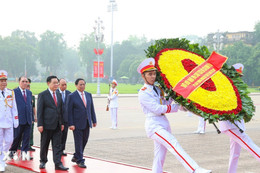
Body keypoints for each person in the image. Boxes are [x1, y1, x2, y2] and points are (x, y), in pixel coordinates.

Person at [137, 58, 211, 173]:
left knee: (160, 155)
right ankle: (194, 169)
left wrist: (177, 100)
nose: (153, 77)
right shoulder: (143, 92)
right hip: (153, 125)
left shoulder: (158, 89)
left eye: (154, 74)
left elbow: (165, 104)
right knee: (173, 143)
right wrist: (176, 107)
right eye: (149, 74)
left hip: (163, 122)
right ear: (143, 76)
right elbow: (157, 109)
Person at [219, 63, 260, 173]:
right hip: (229, 124)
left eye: (239, 75)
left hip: (237, 124)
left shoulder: (237, 86)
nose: (238, 77)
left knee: (235, 153)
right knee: (249, 143)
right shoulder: (224, 86)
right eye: (236, 75)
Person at [37, 76, 68, 171]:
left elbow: (60, 110)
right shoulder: (43, 95)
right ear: (48, 83)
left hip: (57, 125)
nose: (56, 85)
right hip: (46, 125)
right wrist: (40, 124)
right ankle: (43, 161)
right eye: (54, 83)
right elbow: (40, 111)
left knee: (57, 145)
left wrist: (62, 123)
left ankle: (58, 163)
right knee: (44, 144)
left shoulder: (58, 94)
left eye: (57, 83)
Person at [67, 78, 97, 168]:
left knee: (85, 140)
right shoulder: (72, 96)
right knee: (78, 142)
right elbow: (69, 111)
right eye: (80, 84)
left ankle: (76, 156)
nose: (82, 86)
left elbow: (91, 108)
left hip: (87, 122)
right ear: (76, 85)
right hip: (76, 124)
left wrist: (94, 120)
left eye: (84, 84)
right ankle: (80, 160)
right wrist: (70, 124)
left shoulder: (88, 95)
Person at [9, 76, 33, 159]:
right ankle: (12, 152)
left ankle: (24, 154)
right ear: (19, 82)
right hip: (18, 119)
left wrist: (32, 118)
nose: (25, 83)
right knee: (17, 137)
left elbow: (30, 106)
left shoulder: (29, 93)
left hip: (28, 119)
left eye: (26, 81)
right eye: (23, 81)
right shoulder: (14, 92)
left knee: (26, 138)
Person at [0, 70, 19, 172]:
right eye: (1, 80)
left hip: (8, 121)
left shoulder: (10, 92)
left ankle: (2, 159)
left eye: (5, 80)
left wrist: (15, 120)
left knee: (9, 141)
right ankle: (1, 162)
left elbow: (14, 107)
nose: (4, 82)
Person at [58, 78, 71, 156]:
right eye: (62, 85)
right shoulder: (55, 93)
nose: (64, 86)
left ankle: (62, 149)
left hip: (66, 119)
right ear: (59, 85)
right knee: (58, 136)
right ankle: (57, 150)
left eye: (65, 84)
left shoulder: (69, 94)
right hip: (57, 120)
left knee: (64, 135)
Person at [27, 78, 36, 151]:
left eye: (29, 86)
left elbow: (34, 107)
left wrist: (35, 116)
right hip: (24, 117)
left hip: (31, 116)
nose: (28, 88)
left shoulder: (31, 96)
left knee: (31, 131)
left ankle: (30, 144)